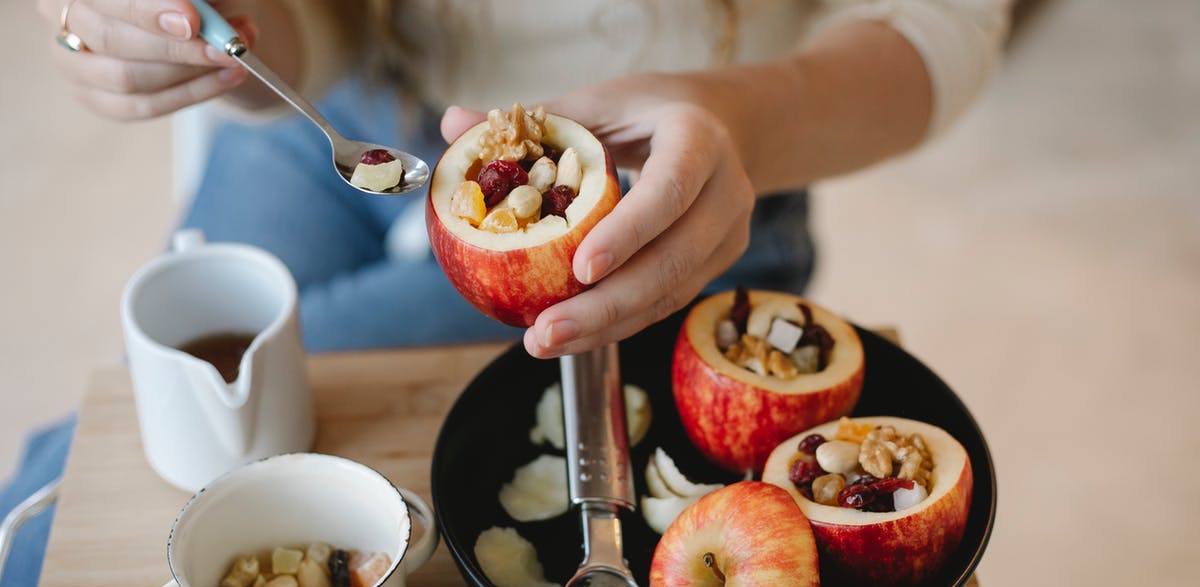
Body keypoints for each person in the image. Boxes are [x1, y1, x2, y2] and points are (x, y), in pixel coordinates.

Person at [38, 0, 1011, 359]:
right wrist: (206, 35)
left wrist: (739, 120)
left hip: (672, 185)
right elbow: (307, 25)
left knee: (220, 426)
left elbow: (944, 23)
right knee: (157, 409)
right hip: (335, 120)